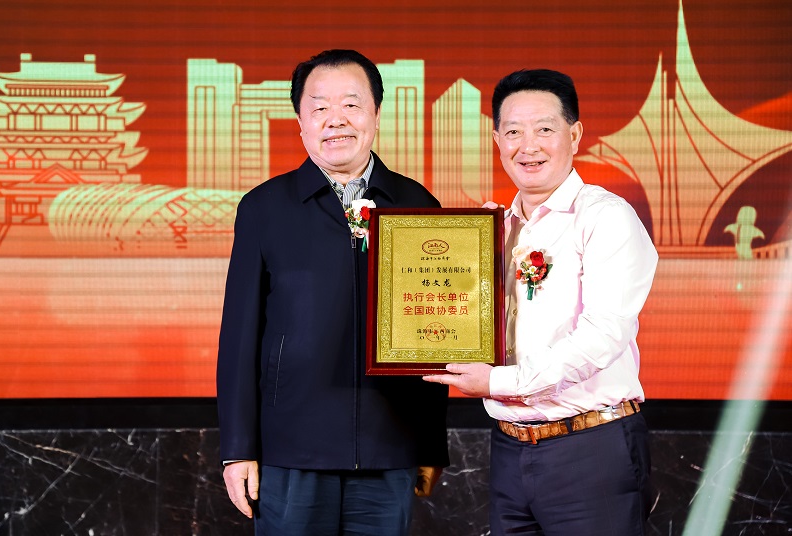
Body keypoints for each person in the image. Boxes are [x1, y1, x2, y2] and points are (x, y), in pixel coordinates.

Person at [217, 49, 449, 535]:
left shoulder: (417, 204)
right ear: (300, 122)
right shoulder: (264, 208)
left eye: (351, 104)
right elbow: (238, 338)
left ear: (376, 114)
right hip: (290, 451)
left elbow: (434, 332)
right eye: (319, 107)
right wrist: (237, 449)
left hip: (390, 448)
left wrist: (430, 445)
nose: (335, 119)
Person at [424, 69, 658, 535]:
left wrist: (497, 381)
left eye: (544, 129)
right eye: (513, 132)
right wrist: (468, 259)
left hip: (590, 447)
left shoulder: (605, 217)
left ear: (575, 135)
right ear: (497, 141)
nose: (527, 146)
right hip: (510, 448)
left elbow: (602, 336)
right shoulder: (495, 229)